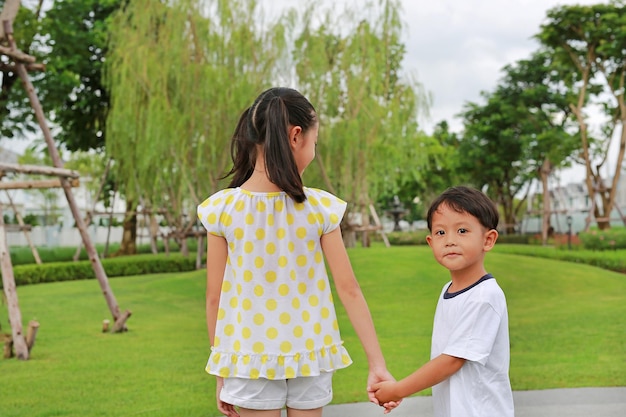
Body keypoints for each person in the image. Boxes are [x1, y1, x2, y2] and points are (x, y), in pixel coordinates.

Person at [197, 87, 396, 417]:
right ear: (296, 135)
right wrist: (377, 364)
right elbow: (349, 289)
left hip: (248, 358)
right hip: (310, 351)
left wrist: (222, 374)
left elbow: (214, 298)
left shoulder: (223, 208)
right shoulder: (319, 207)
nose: (314, 151)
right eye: (315, 143)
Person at [370, 186, 514, 417]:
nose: (449, 241)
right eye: (440, 233)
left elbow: (452, 361)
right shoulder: (448, 290)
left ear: (488, 240)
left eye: (462, 230)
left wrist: (397, 390)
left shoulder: (484, 296)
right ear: (430, 242)